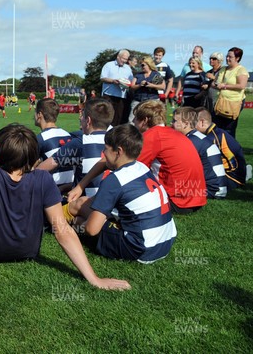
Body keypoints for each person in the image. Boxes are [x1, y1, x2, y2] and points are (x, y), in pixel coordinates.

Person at [0, 124, 132, 296]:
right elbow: (62, 230)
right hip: (27, 251)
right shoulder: (43, 179)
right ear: (33, 158)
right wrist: (94, 279)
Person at [66, 124, 177, 263]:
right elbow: (105, 162)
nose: (103, 153)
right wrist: (80, 186)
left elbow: (91, 230)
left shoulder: (114, 180)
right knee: (84, 203)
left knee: (79, 221)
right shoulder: (141, 167)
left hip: (140, 248)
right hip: (165, 241)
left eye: (106, 149)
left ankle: (56, 219)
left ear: (118, 151)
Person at [72, 100, 206, 214]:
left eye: (135, 118)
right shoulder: (171, 133)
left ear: (145, 120)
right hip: (196, 199)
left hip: (177, 201)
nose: (133, 122)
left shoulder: (152, 136)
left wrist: (83, 187)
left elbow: (121, 167)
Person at [37, 97, 114, 198]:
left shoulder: (81, 142)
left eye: (82, 116)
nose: (80, 118)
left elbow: (48, 165)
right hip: (112, 202)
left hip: (87, 204)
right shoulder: (116, 140)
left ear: (88, 120)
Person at [171, 107, 227, 199]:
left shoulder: (190, 141)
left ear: (186, 124)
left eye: (174, 121)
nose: (171, 123)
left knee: (166, 191)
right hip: (217, 187)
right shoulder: (196, 137)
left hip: (212, 190)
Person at [195, 107, 248, 191]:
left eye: (193, 124)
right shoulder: (218, 132)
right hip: (237, 174)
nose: (191, 127)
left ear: (202, 122)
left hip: (231, 178)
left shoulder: (212, 138)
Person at [34, 98, 73, 193]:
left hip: (52, 190)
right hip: (71, 187)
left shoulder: (40, 138)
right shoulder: (67, 134)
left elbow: (30, 167)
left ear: (39, 115)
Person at [211, 47, 249, 138]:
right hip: (219, 102)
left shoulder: (241, 70)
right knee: (217, 128)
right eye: (227, 56)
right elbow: (214, 83)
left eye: (230, 57)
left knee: (229, 129)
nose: (227, 58)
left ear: (237, 58)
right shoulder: (223, 69)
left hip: (233, 103)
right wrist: (216, 85)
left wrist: (224, 86)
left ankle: (229, 149)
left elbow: (241, 86)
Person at [100, 49, 133, 126]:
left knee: (118, 117)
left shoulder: (128, 68)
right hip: (108, 94)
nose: (124, 61)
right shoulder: (108, 65)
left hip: (121, 96)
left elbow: (131, 82)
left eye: (126, 59)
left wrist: (125, 84)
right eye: (123, 58)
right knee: (107, 116)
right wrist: (113, 81)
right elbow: (102, 78)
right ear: (118, 57)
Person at [128, 57, 164, 123]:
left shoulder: (156, 74)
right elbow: (132, 87)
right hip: (138, 100)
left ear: (148, 65)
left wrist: (152, 85)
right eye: (141, 65)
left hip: (152, 100)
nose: (141, 67)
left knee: (153, 119)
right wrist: (139, 85)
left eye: (143, 65)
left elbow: (163, 86)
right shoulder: (138, 75)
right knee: (132, 120)